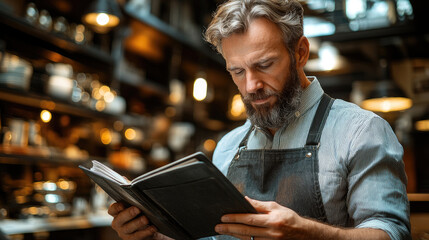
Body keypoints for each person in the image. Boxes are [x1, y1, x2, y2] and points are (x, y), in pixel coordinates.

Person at [107, 0, 411, 239]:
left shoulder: (361, 131)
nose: (251, 85)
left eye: (264, 64)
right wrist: (152, 236)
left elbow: (393, 233)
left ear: (300, 52)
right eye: (237, 71)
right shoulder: (228, 147)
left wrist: (310, 234)